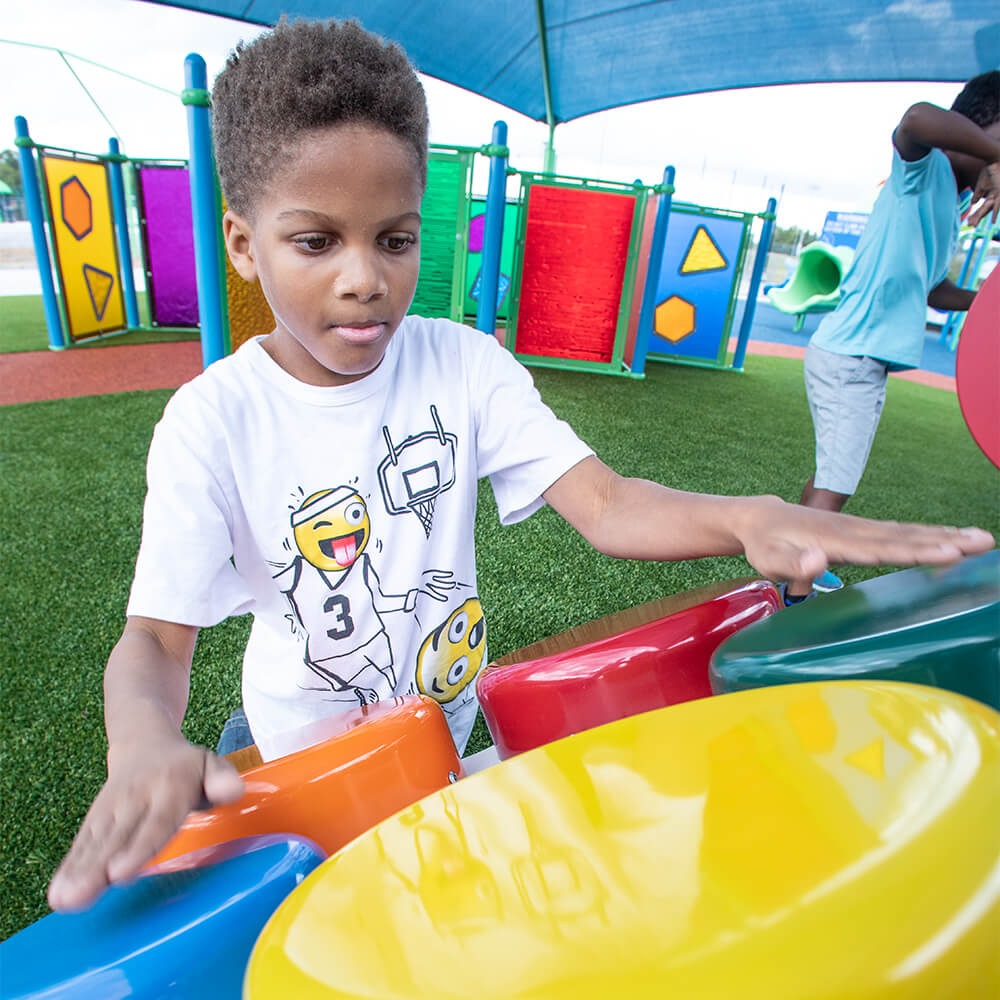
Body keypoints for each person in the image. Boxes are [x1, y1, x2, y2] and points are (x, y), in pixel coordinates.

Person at [46, 19, 995, 913]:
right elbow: (157, 644)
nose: (363, 276)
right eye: (315, 241)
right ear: (244, 247)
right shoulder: (211, 422)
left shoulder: (461, 366)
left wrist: (746, 513)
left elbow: (609, 504)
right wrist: (140, 743)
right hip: (290, 769)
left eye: (395, 237)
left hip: (436, 743)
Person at [783, 72, 1000, 605]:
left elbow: (935, 289)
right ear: (977, 129)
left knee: (834, 469)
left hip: (859, 356)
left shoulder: (948, 206)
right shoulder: (921, 171)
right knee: (838, 478)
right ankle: (796, 589)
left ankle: (799, 555)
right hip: (850, 354)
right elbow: (916, 118)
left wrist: (984, 299)